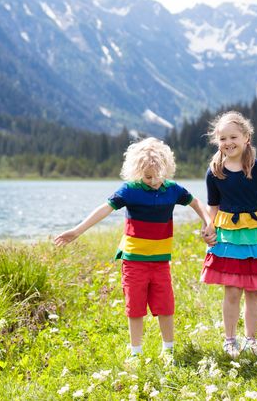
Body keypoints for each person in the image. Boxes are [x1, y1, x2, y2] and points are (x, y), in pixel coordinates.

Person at [54, 137, 212, 362]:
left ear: (166, 170)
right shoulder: (130, 190)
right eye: (148, 177)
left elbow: (196, 203)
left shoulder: (172, 189)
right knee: (135, 307)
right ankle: (135, 354)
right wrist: (77, 231)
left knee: (165, 306)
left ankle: (168, 351)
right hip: (134, 261)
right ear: (137, 172)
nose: (154, 181)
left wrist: (208, 221)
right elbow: (104, 209)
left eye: (158, 176)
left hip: (160, 261)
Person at [200, 111, 257, 358]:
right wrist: (209, 227)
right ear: (217, 141)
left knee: (254, 291)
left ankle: (251, 339)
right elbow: (213, 207)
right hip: (229, 236)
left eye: (233, 137)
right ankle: (229, 340)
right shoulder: (214, 171)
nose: (228, 143)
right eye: (222, 139)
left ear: (246, 138)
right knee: (231, 291)